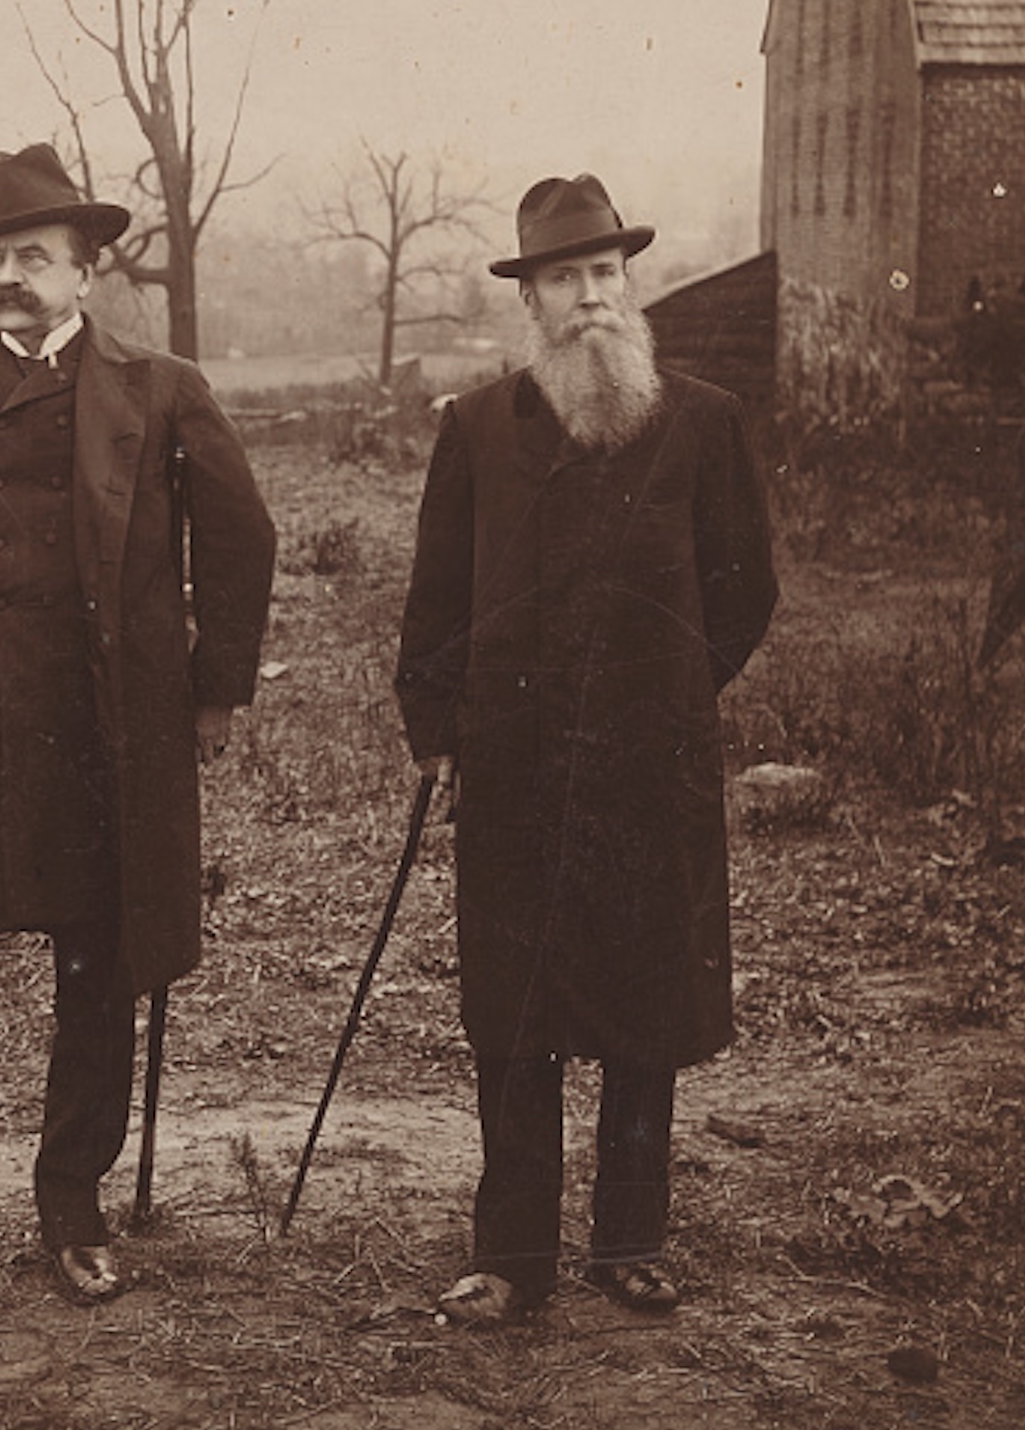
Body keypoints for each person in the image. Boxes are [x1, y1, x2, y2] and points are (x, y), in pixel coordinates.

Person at [0, 143, 277, 1302]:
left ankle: (69, 1197)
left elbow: (241, 539)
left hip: (108, 737)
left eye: (33, 257)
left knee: (101, 962)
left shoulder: (159, 390)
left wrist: (212, 688)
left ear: (87, 272)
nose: (11, 276)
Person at [395, 175, 778, 1323]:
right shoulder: (475, 429)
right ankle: (511, 1258)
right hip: (512, 772)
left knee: (643, 1008)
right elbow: (434, 604)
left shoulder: (702, 422)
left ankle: (630, 1242)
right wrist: (437, 732)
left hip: (647, 773)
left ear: (630, 283)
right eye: (565, 278)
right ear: (531, 300)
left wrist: (661, 697)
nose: (591, 298)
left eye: (606, 274)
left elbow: (744, 589)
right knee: (514, 1018)